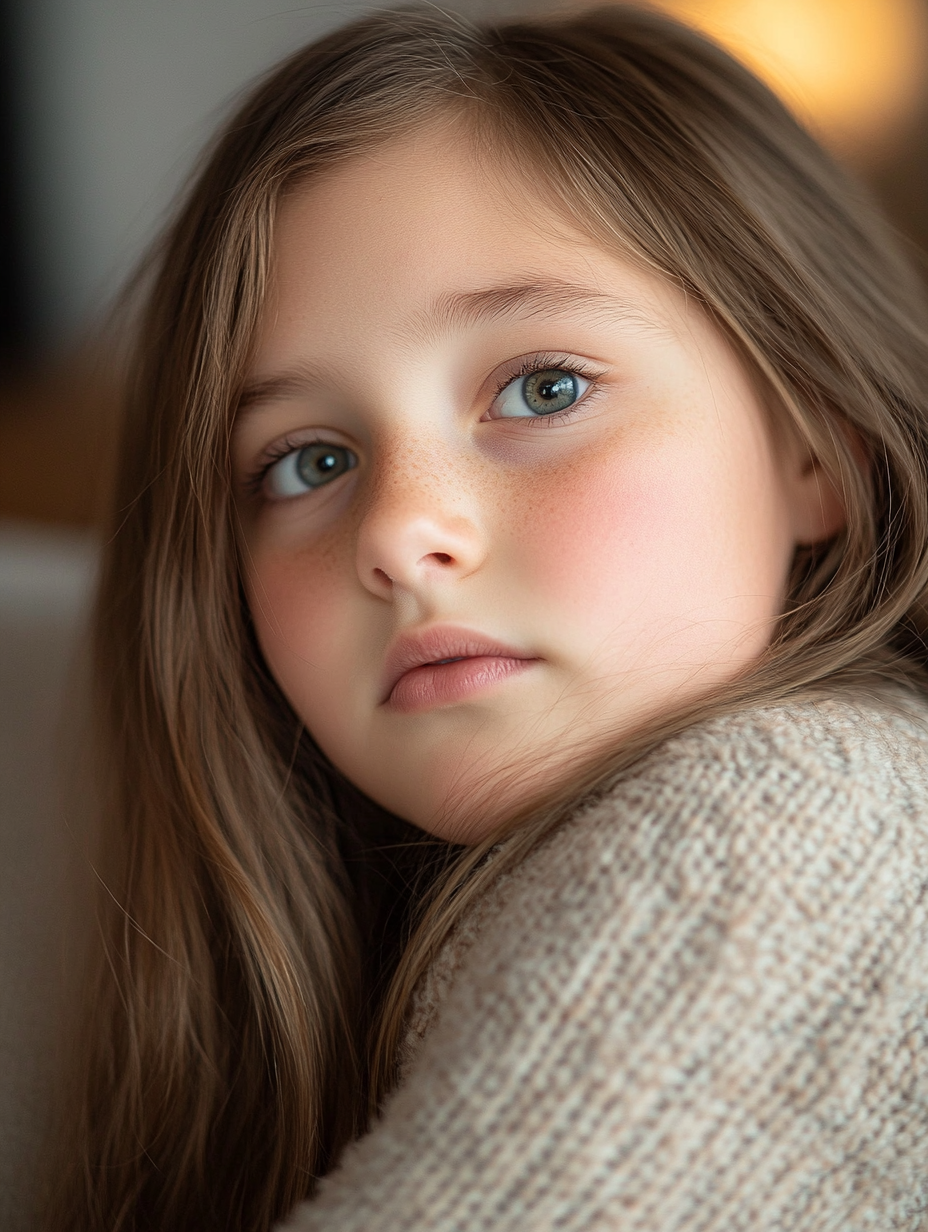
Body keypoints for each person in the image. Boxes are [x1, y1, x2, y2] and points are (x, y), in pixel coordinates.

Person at [45, 4, 928, 1229]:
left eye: (542, 387)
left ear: (816, 445)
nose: (401, 534)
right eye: (306, 460)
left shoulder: (793, 821)